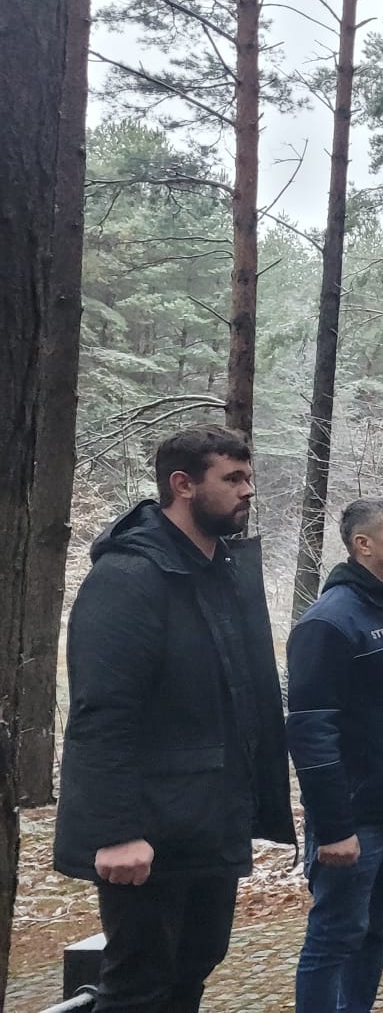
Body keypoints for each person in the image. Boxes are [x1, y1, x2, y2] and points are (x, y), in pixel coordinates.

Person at [53, 425, 295, 1013]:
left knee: (195, 964)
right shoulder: (129, 576)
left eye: (249, 477)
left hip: (211, 817)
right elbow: (101, 711)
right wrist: (116, 831)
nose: (248, 490)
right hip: (150, 828)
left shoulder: (221, 571)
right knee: (139, 987)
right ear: (182, 485)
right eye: (232, 478)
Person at [287, 498, 383, 1013]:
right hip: (356, 818)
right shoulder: (329, 622)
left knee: (378, 931)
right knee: (336, 935)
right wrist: (334, 827)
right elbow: (311, 732)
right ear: (363, 544)